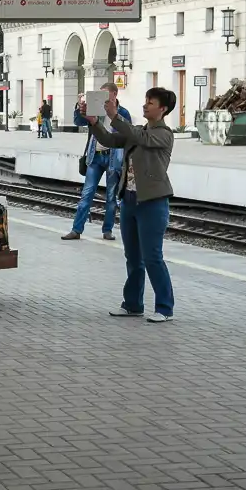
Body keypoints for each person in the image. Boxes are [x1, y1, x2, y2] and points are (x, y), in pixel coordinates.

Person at [82, 86, 177, 324]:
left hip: (152, 202)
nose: (145, 105)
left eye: (151, 102)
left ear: (163, 109)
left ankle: (165, 307)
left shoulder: (164, 134)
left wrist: (115, 115)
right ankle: (133, 304)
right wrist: (94, 122)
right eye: (145, 101)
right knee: (133, 256)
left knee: (152, 256)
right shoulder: (139, 131)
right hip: (130, 200)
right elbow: (109, 139)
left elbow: (140, 138)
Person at [63, 82, 132, 241]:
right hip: (96, 156)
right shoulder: (95, 109)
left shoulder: (123, 112)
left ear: (114, 94)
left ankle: (107, 230)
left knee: (111, 197)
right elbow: (78, 122)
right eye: (100, 94)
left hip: (114, 158)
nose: (102, 98)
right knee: (87, 193)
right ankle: (76, 230)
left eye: (105, 94)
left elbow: (128, 133)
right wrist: (79, 107)